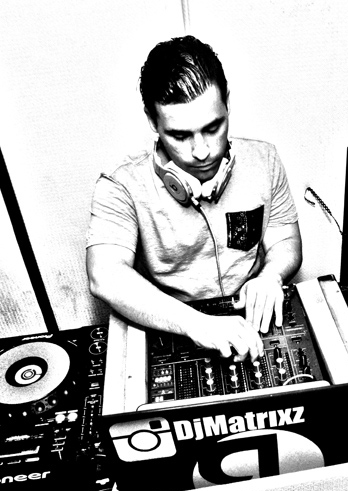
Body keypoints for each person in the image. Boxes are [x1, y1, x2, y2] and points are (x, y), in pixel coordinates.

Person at [86, 35, 302, 361]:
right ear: (152, 121)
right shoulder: (119, 185)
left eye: (213, 128)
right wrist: (197, 324)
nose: (202, 151)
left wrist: (271, 275)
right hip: (172, 323)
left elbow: (285, 240)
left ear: (227, 103)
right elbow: (105, 275)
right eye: (180, 135)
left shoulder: (265, 160)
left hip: (249, 318)